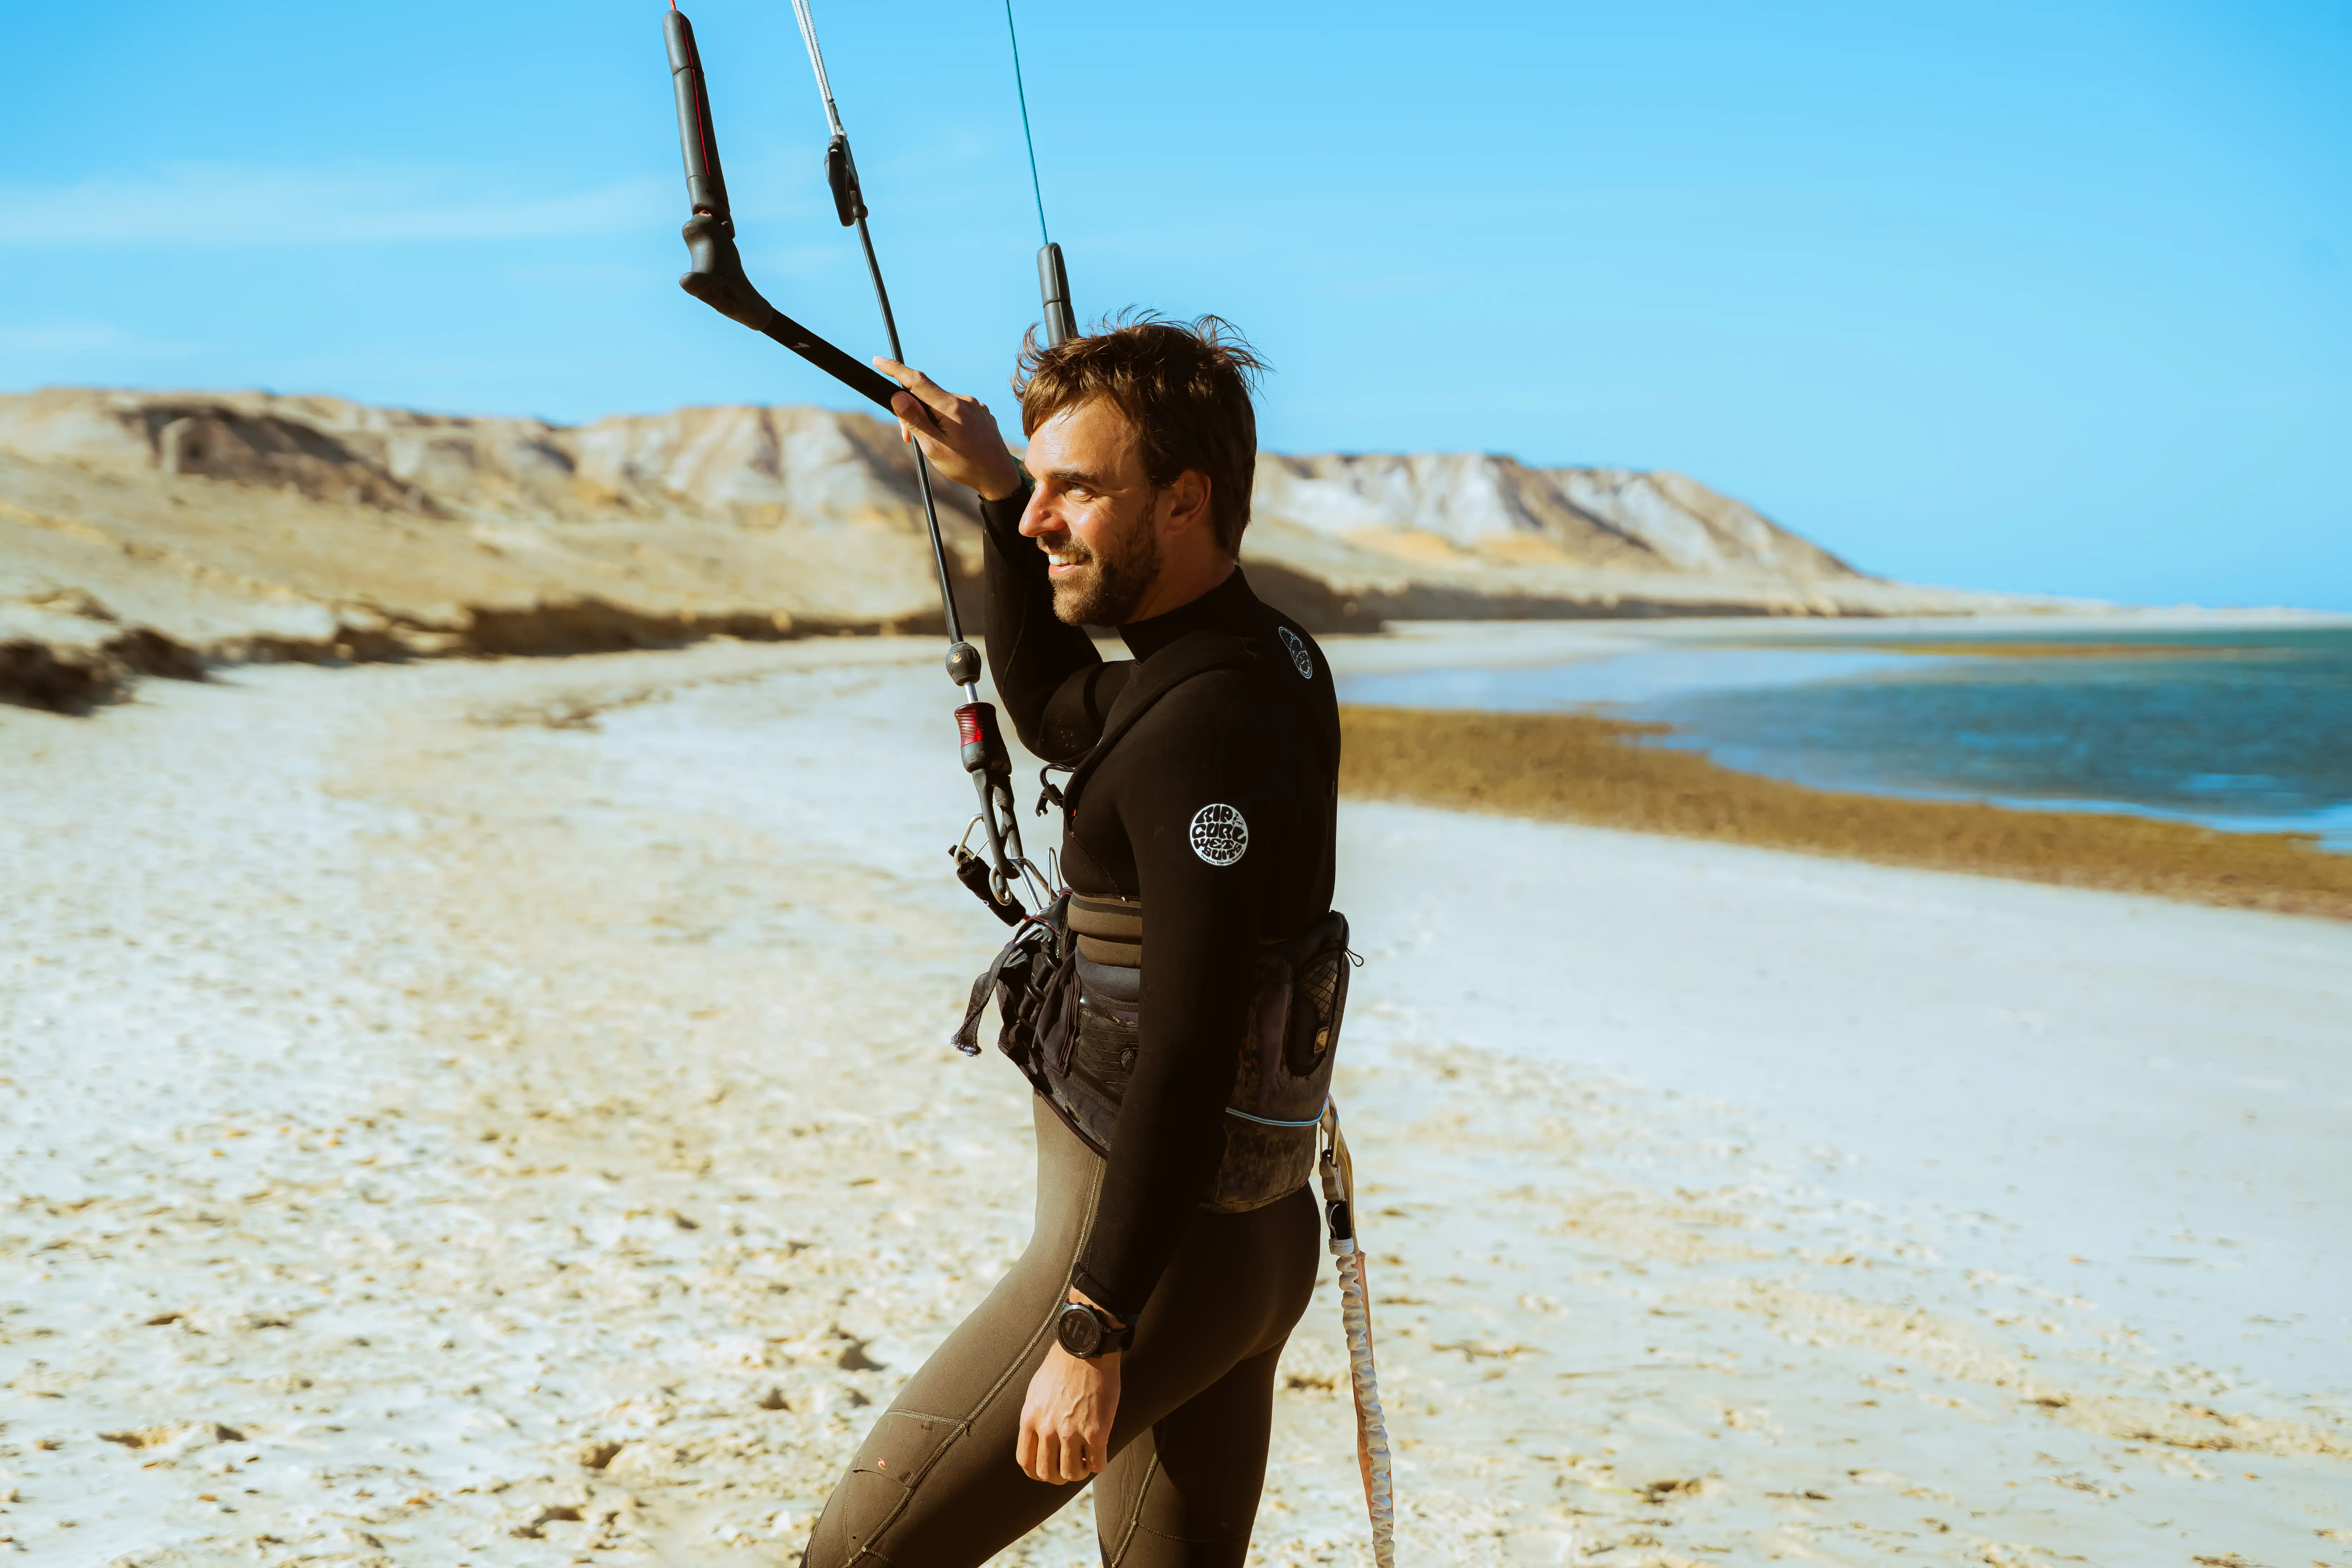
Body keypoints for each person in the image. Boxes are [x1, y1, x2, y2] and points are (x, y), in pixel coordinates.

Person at [800, 315, 1344, 1568]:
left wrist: (1095, 1325)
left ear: (1185, 499)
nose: (1043, 522)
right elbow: (1051, 706)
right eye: (1038, 492)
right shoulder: (1264, 660)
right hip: (1251, 1246)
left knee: (858, 1556)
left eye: (1076, 490)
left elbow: (1193, 1043)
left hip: (1157, 1266)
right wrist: (998, 485)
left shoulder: (1202, 726)